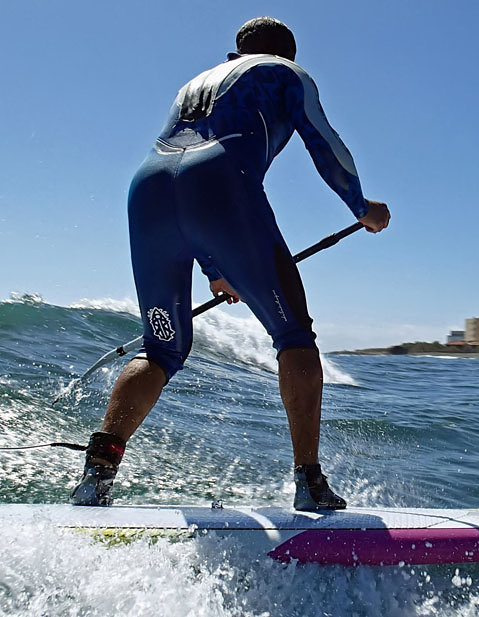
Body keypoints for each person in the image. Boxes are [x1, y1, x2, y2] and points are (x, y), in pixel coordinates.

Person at [70, 16, 390, 510]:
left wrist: (215, 269)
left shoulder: (195, 86)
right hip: (221, 181)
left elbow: (182, 181)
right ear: (288, 53)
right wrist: (361, 208)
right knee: (293, 337)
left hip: (148, 189)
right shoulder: (287, 73)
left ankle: (95, 479)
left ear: (234, 54)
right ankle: (309, 483)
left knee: (161, 348)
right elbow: (325, 143)